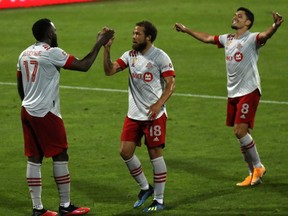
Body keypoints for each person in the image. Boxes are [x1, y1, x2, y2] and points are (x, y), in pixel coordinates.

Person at [174, 8, 284, 186]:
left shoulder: (252, 38)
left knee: (239, 131)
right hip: (233, 93)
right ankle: (252, 175)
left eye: (240, 16)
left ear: (248, 23)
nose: (235, 17)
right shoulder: (228, 39)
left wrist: (275, 26)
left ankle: (258, 166)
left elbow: (265, 36)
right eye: (235, 15)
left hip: (249, 91)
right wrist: (187, 30)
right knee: (243, 135)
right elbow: (208, 38)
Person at [17, 18, 114, 216]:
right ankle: (65, 205)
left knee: (34, 158)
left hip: (27, 110)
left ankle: (38, 209)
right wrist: (100, 42)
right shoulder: (52, 53)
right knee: (60, 154)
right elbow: (84, 65)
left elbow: (20, 85)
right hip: (46, 113)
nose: (56, 33)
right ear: (50, 34)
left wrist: (29, 102)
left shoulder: (24, 53)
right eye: (55, 30)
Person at [103, 21, 175, 212]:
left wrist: (159, 104)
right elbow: (109, 71)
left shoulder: (160, 57)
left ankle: (159, 200)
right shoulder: (130, 55)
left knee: (155, 157)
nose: (133, 37)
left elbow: (170, 84)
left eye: (138, 34)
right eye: (133, 33)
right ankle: (145, 188)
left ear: (148, 37)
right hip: (134, 115)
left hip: (154, 116)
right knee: (125, 152)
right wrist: (106, 49)